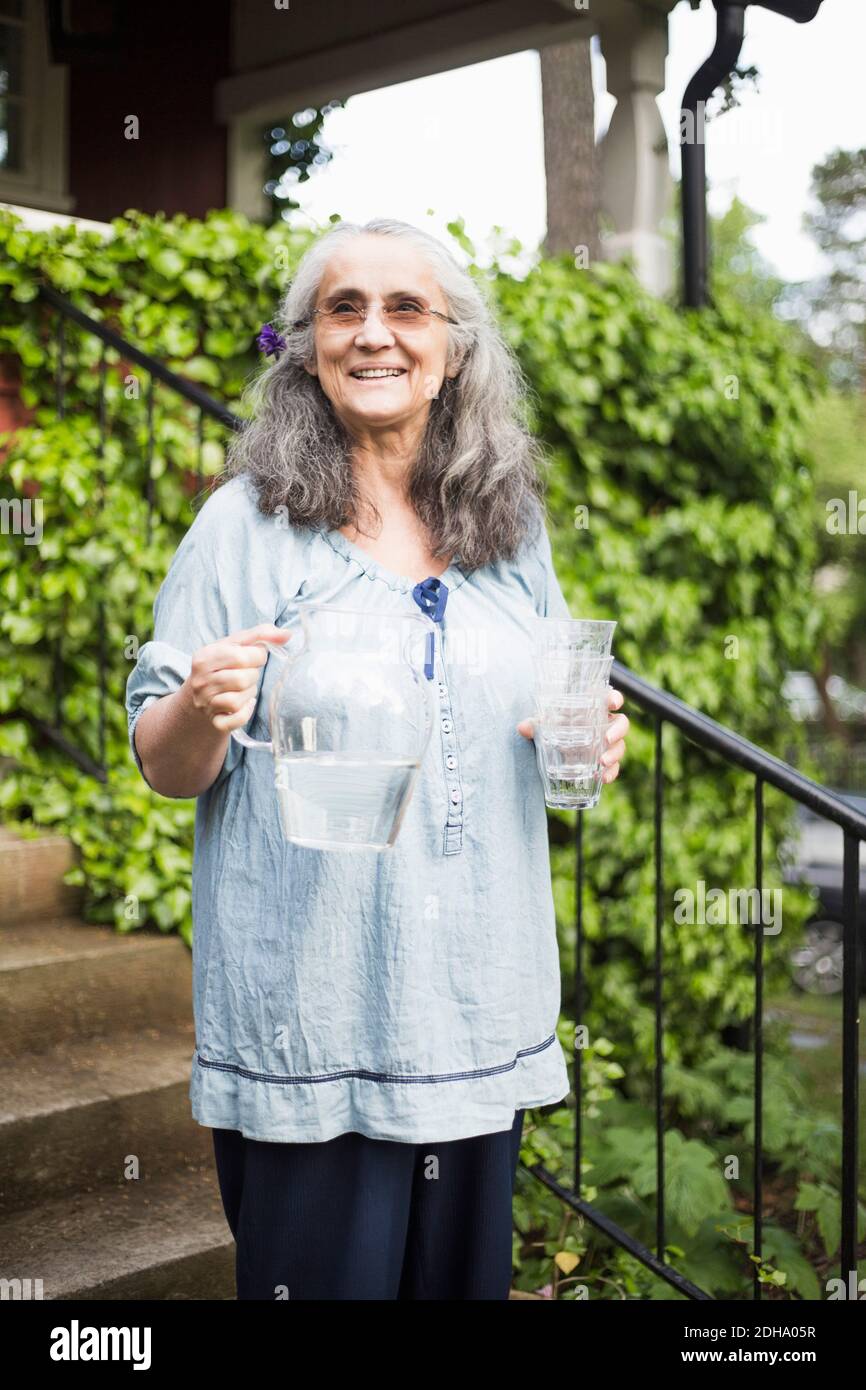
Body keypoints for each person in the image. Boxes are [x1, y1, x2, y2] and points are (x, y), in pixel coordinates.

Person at [125, 217, 629, 1300]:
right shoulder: (243, 528)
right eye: (341, 308)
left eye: (406, 308)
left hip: (471, 1016)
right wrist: (204, 709)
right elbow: (167, 763)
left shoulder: (508, 527)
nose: (373, 333)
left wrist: (591, 745)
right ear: (305, 345)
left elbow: (549, 725)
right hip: (316, 1027)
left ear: (453, 350)